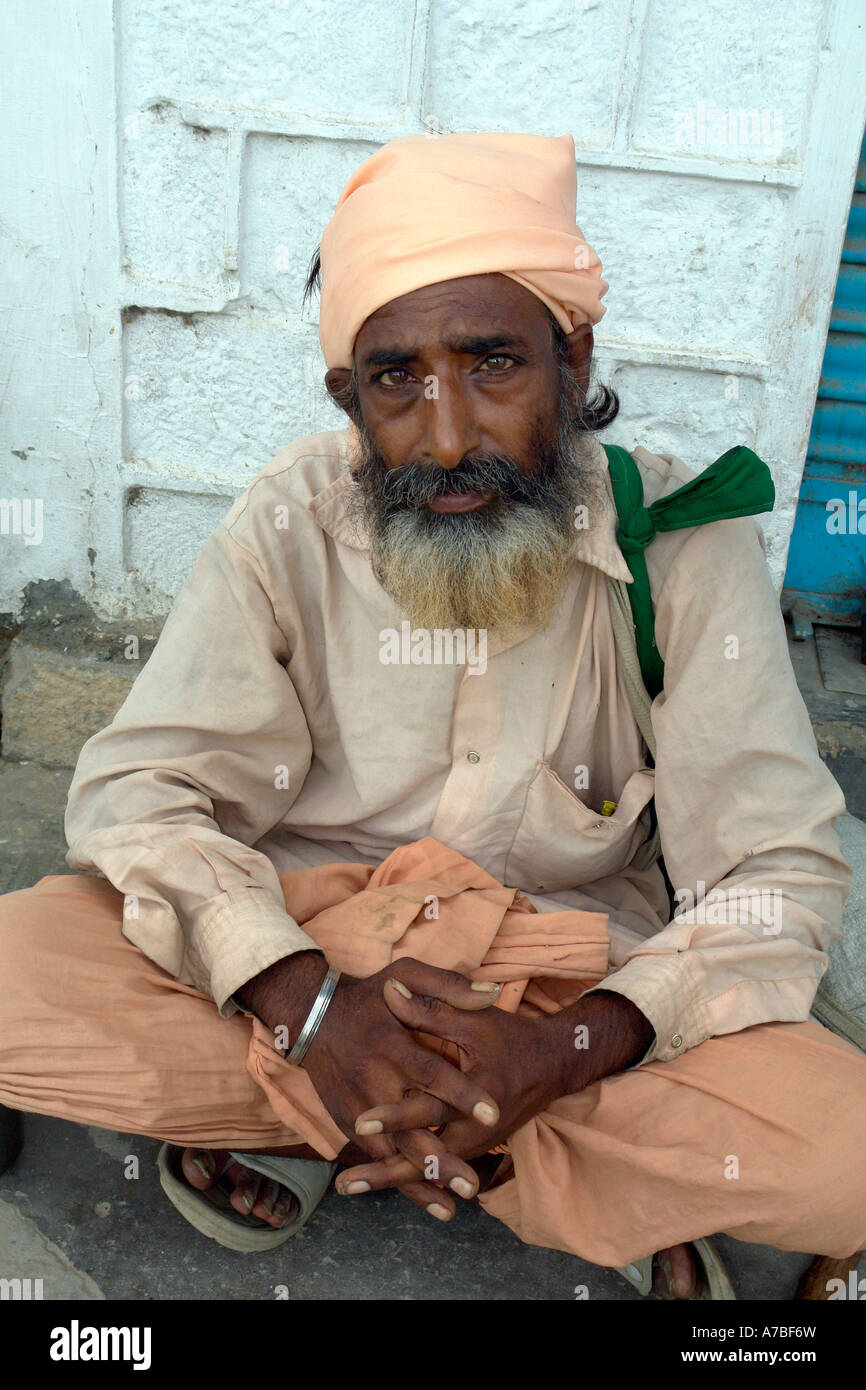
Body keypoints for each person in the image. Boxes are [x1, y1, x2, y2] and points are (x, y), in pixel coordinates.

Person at [1, 132, 864, 1300]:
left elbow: (774, 872)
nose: (446, 434)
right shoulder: (289, 520)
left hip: (551, 979)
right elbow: (141, 791)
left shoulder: (685, 540)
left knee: (846, 1157)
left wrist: (563, 1048)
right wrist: (308, 1005)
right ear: (347, 398)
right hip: (307, 942)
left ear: (572, 359)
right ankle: (551, 1174)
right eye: (395, 380)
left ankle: (333, 1123)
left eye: (492, 364)